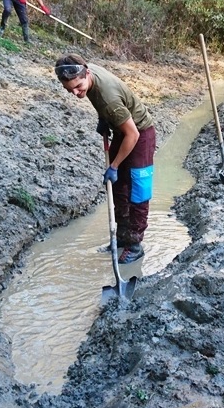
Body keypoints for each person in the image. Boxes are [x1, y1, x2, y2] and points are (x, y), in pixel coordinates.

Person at [54, 54, 155, 264]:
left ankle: (135, 245)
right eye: (70, 90)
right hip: (121, 129)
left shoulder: (109, 99)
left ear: (87, 73)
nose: (75, 93)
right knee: (118, 187)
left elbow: (133, 134)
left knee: (138, 190)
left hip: (140, 133)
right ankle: (122, 238)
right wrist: (103, 118)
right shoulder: (86, 73)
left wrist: (115, 165)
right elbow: (97, 99)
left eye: (78, 87)